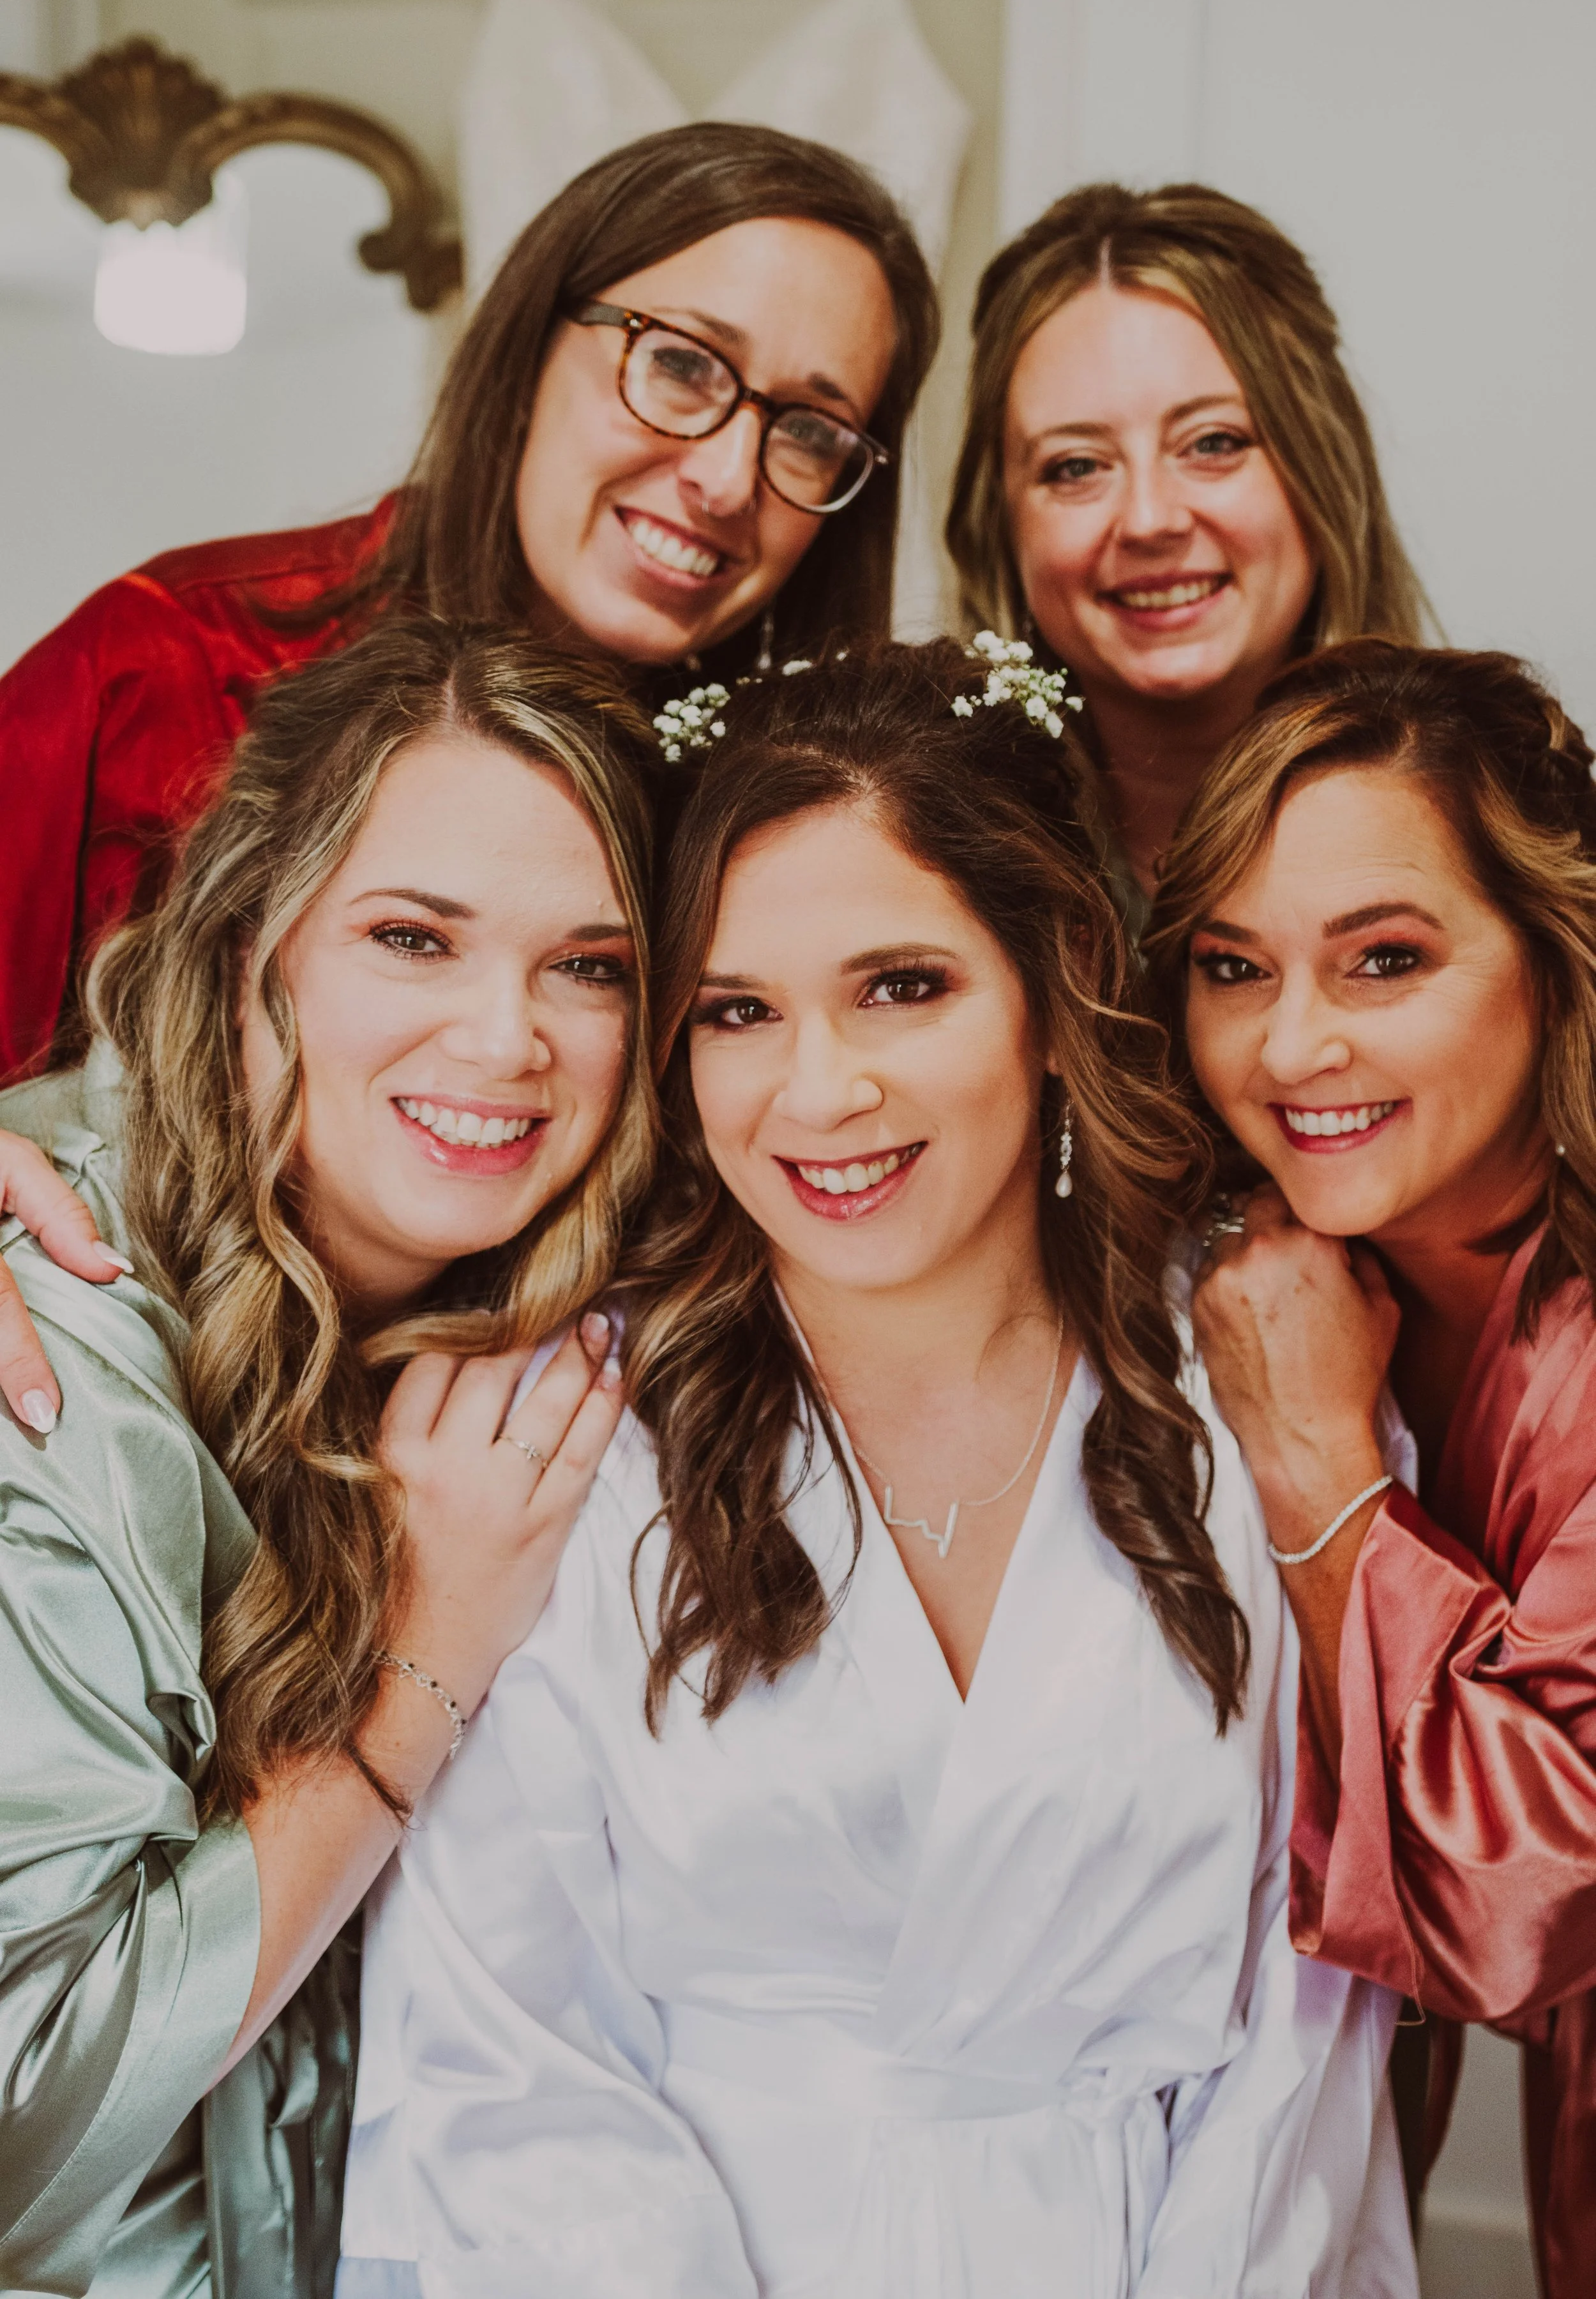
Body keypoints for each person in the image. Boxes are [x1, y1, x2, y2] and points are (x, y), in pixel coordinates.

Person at [336, 640, 1415, 2298]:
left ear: (1052, 983)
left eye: (899, 984)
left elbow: (1307, 2039)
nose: (817, 1088)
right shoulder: (558, 1434)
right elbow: (497, 2053)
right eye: (738, 1011)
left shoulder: (1265, 1392)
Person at [0, 619, 663, 2296]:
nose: (508, 1034)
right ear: (251, 940)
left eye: (589, 964)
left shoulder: (551, 1338)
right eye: (411, 935)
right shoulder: (51, 1336)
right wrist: (421, 1666)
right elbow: (22, 2119)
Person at [0, 121, 938, 1088]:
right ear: (529, 346)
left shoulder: (780, 810)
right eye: (682, 364)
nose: (728, 478)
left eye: (812, 431)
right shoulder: (162, 664)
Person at [1143, 638, 1596, 2297]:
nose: (1289, 1045)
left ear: (1547, 953)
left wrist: (1313, 1457)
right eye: (1233, 965)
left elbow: (1515, 1887)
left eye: (1381, 956)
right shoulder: (1324, 1276)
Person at [945, 182, 1428, 919]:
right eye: (1077, 466)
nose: (1148, 520)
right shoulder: (932, 868)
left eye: (1213, 444)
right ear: (1000, 524)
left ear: (1321, 470)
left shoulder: (1498, 841)